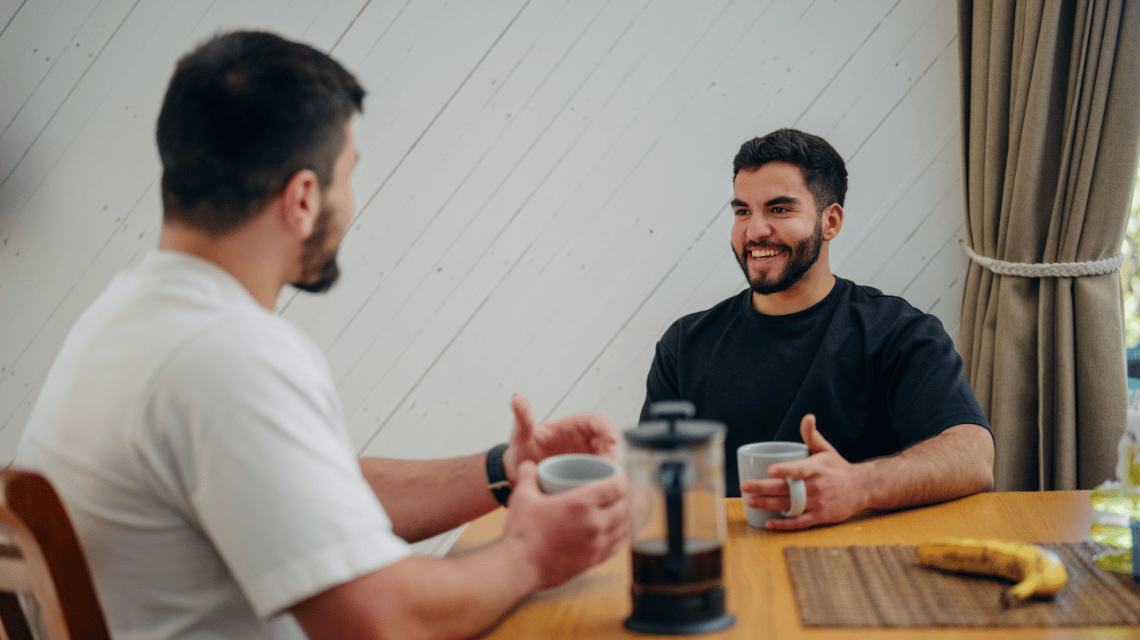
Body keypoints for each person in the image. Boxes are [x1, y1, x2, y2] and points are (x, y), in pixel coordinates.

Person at [16, 31, 628, 640]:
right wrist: (531, 553)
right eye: (347, 175)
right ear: (304, 197)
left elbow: (306, 498)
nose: (353, 201)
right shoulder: (224, 356)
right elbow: (381, 621)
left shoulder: (125, 320)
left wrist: (504, 468)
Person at [640, 128, 994, 531]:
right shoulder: (684, 345)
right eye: (742, 211)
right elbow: (654, 484)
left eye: (779, 209)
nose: (754, 230)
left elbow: (974, 457)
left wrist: (860, 485)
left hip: (860, 560)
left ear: (831, 221)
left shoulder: (899, 333)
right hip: (729, 555)